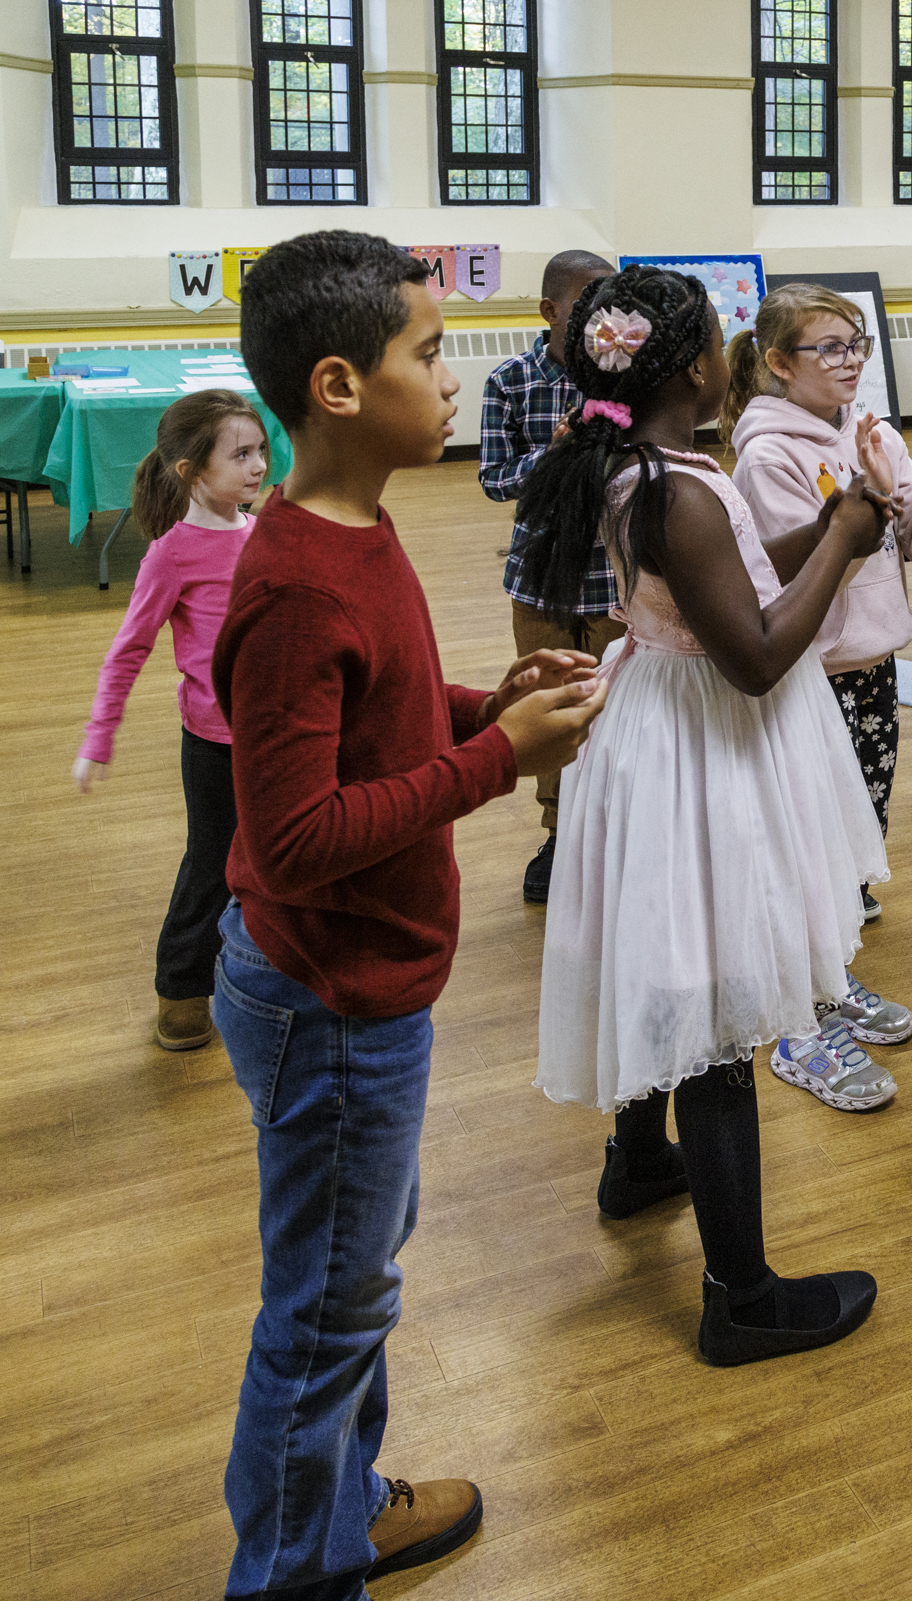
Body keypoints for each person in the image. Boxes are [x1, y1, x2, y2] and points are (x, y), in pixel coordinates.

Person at [213, 230, 608, 1599]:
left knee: (354, 1274)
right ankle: (294, 1571)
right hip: (327, 994)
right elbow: (296, 838)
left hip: (363, 986)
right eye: (429, 355)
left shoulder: (356, 528)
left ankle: (342, 1507)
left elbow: (372, 721)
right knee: (327, 1309)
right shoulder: (293, 584)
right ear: (337, 385)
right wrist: (498, 762)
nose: (452, 381)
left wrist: (485, 707)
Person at [519, 265, 886, 1359]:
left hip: (659, 718)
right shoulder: (675, 487)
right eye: (720, 340)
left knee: (662, 949)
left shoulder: (647, 465)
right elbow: (757, 655)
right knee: (715, 995)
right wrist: (844, 539)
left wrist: (826, 528)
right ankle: (743, 1295)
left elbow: (730, 577)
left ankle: (638, 1160)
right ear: (693, 369)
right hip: (699, 739)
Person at [723, 282, 912, 1110]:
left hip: (870, 672)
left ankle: (829, 980)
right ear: (777, 362)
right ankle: (795, 1026)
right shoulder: (768, 454)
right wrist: (859, 508)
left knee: (849, 843)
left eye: (856, 344)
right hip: (806, 679)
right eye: (828, 347)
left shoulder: (870, 433)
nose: (849, 361)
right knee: (803, 847)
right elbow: (789, 581)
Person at [73, 391, 267, 1051]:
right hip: (214, 742)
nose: (258, 465)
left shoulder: (263, 533)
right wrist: (98, 736)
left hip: (276, 734)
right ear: (191, 471)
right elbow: (128, 649)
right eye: (240, 455)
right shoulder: (172, 552)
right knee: (211, 862)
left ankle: (270, 971)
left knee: (277, 853)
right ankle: (181, 987)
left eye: (260, 450)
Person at [481, 247, 618, 903]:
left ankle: (617, 829)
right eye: (589, 303)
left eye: (613, 304)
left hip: (614, 577)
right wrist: (554, 454)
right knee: (553, 706)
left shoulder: (624, 377)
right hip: (540, 579)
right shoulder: (510, 382)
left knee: (618, 708)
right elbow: (494, 479)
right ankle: (560, 834)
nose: (605, 318)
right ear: (549, 310)